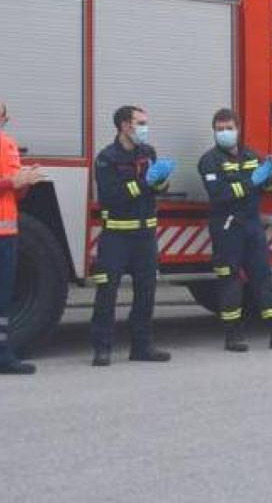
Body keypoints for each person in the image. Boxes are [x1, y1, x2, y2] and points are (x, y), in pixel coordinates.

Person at [198, 108, 272, 352]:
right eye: (219, 129)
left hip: (251, 225)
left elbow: (267, 188)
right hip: (227, 226)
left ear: (238, 129)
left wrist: (269, 177)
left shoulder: (252, 155)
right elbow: (220, 195)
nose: (224, 133)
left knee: (264, 277)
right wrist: (252, 182)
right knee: (230, 279)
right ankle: (233, 335)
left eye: (229, 128)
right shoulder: (210, 161)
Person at [91, 105, 175, 366]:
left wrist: (161, 180)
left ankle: (142, 346)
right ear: (125, 126)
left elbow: (157, 190)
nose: (144, 128)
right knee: (107, 293)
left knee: (146, 292)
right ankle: (102, 349)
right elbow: (111, 195)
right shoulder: (106, 158)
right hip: (116, 237)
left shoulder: (147, 153)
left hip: (144, 236)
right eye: (140, 123)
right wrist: (144, 183)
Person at [0, 98, 46, 374]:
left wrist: (25, 182)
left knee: (0, 299)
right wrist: (12, 182)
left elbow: (14, 192)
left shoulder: (8, 144)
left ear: (5, 120)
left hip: (6, 234)